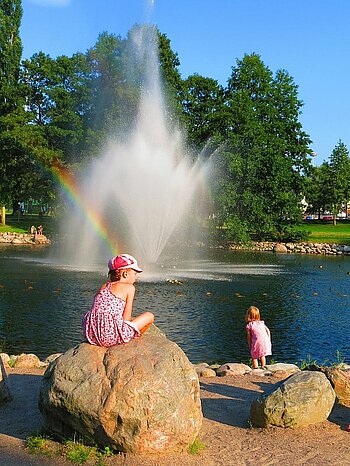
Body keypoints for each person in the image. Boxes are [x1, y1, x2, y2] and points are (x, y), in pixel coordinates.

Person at [82, 253, 154, 347]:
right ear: (125, 273)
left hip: (92, 334)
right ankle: (132, 337)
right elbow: (126, 319)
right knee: (149, 316)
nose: (136, 278)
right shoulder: (129, 288)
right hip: (110, 337)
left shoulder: (104, 286)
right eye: (135, 274)